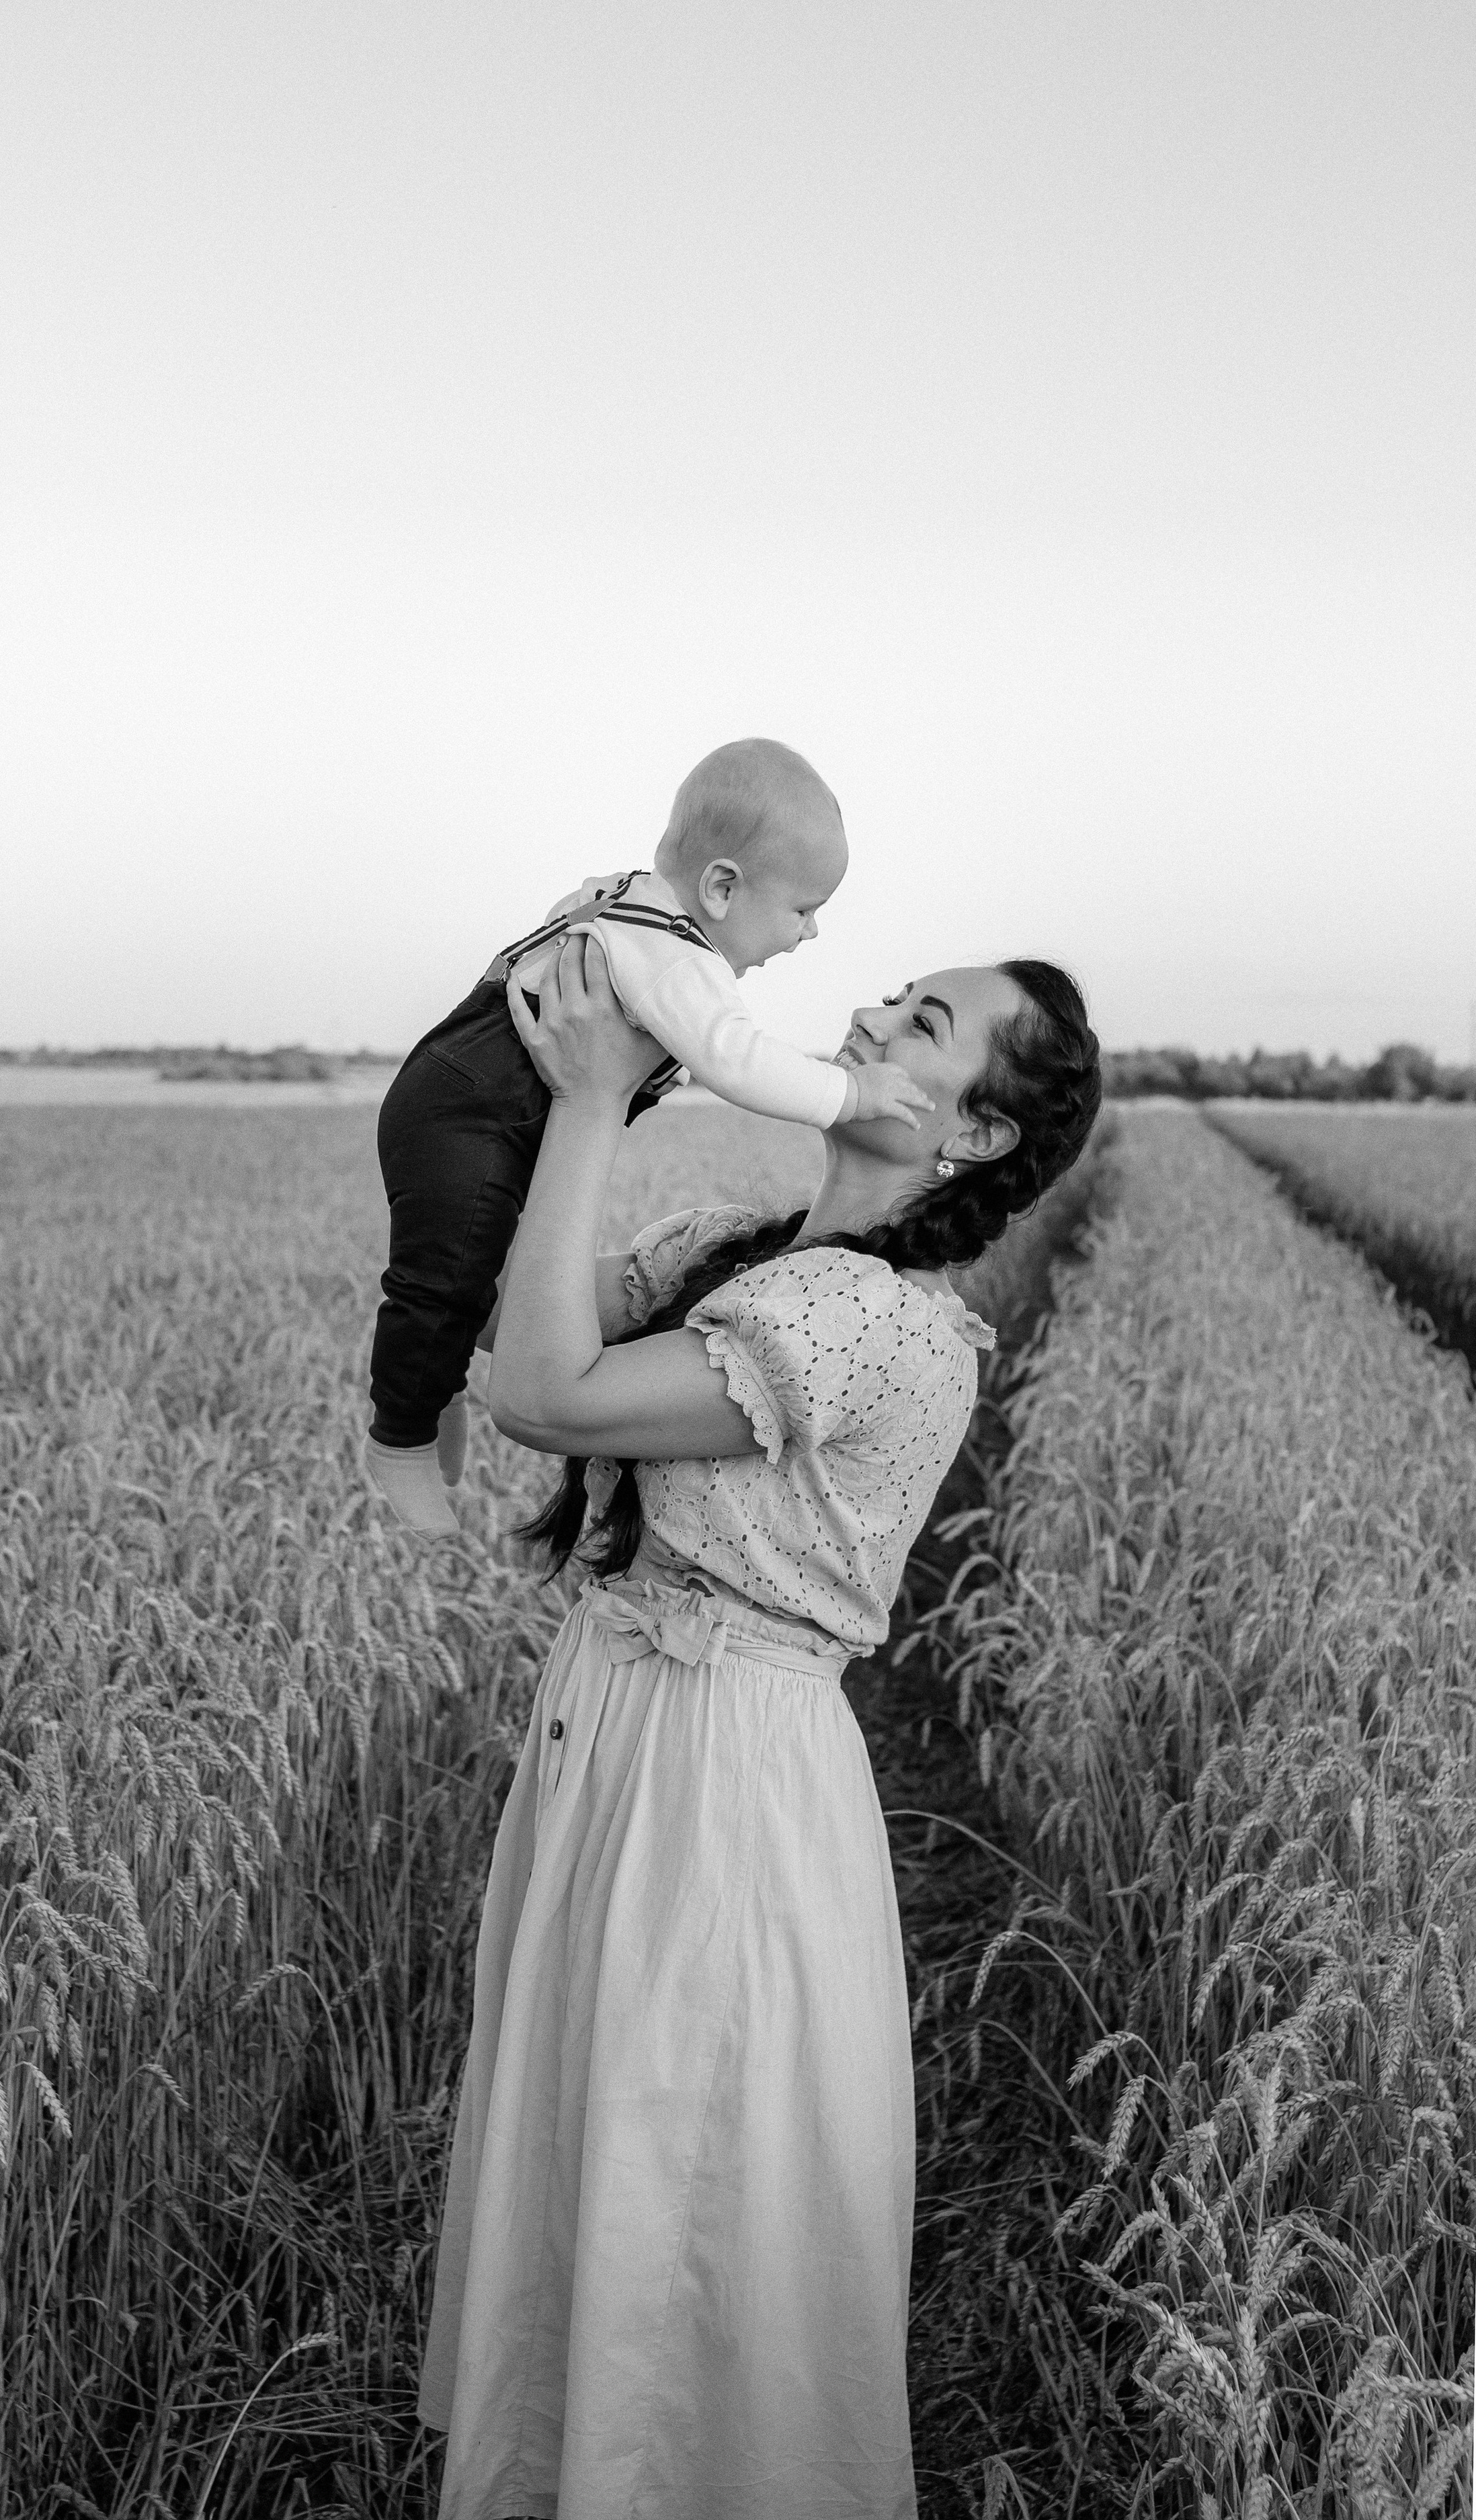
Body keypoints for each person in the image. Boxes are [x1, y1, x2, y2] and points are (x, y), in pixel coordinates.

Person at [417, 934, 1103, 2520]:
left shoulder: (879, 1326)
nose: (867, 1013)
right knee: (589, 2142)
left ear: (974, 1130)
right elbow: (491, 1308)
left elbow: (543, 1397)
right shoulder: (735, 1250)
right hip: (610, 1729)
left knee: (682, 2172)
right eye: (893, 993)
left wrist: (591, 1105)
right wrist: (582, 1019)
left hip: (719, 1780)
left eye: (922, 1024)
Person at [364, 739, 936, 1536]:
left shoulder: (630, 903)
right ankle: (398, 1439)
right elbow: (738, 1061)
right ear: (722, 888)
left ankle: (431, 1387)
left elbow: (568, 918)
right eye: (803, 909)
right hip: (471, 1106)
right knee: (441, 1278)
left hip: (472, 1094)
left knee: (468, 1272)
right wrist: (849, 1094)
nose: (809, 934)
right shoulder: (677, 955)